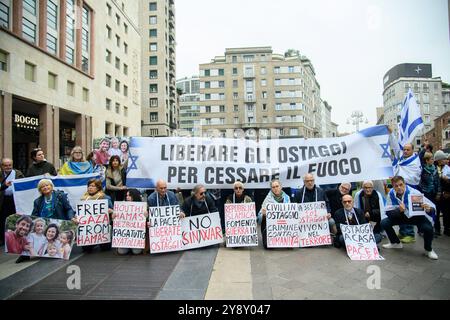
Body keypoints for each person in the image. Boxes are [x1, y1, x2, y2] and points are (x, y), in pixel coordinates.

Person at [381, 176, 438, 260]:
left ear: (405, 184)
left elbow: (431, 207)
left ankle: (428, 249)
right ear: (393, 186)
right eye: (396, 186)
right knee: (384, 222)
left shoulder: (414, 192)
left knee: (428, 228)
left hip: (416, 217)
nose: (399, 187)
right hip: (401, 216)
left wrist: (429, 209)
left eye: (401, 185)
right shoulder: (391, 194)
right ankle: (395, 243)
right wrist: (399, 210)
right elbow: (388, 212)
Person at [390, 141, 421, 243]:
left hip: (409, 189)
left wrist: (401, 181)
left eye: (408, 149)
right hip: (398, 189)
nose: (406, 151)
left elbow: (414, 177)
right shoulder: (401, 159)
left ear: (413, 150)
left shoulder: (414, 161)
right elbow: (395, 147)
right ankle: (403, 231)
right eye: (404, 149)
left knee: (408, 211)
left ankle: (410, 234)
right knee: (400, 210)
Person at [78, 178, 114, 253]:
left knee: (105, 248)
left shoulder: (105, 198)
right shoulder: (83, 199)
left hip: (102, 229)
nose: (90, 188)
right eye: (89, 186)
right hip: (89, 230)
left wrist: (110, 211)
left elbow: (112, 210)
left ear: (98, 188)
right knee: (86, 249)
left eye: (93, 186)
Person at [257, 179, 291, 249]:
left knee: (290, 244)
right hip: (271, 226)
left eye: (277, 186)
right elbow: (259, 218)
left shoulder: (287, 198)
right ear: (271, 189)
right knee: (268, 245)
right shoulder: (267, 199)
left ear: (281, 187)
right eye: (273, 187)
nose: (275, 188)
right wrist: (263, 214)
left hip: (283, 225)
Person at [114, 189, 148, 255]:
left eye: (129, 195)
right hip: (124, 236)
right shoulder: (121, 206)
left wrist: (146, 216)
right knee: (122, 252)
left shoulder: (142, 206)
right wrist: (113, 216)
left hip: (136, 236)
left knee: (136, 252)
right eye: (127, 196)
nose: (127, 197)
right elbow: (116, 221)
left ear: (135, 196)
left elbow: (145, 223)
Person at [1, 158, 25, 245]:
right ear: (2, 166)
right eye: (5, 165)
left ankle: (16, 238)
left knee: (16, 219)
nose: (8, 167)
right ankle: (4, 239)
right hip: (3, 201)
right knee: (3, 219)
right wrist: (4, 186)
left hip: (15, 200)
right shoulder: (0, 175)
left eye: (9, 165)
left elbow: (23, 185)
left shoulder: (18, 173)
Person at [419, 152, 441, 235]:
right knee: (425, 211)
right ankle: (423, 229)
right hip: (426, 193)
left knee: (436, 210)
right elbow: (420, 182)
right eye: (431, 159)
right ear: (427, 161)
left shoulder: (435, 170)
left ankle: (436, 229)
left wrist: (438, 193)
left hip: (434, 193)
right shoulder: (423, 170)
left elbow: (438, 182)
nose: (433, 160)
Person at [435, 150, 450, 236]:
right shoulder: (433, 168)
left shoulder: (447, 168)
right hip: (436, 194)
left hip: (446, 194)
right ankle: (437, 229)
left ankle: (447, 228)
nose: (445, 160)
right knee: (436, 212)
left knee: (447, 212)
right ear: (439, 160)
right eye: (443, 159)